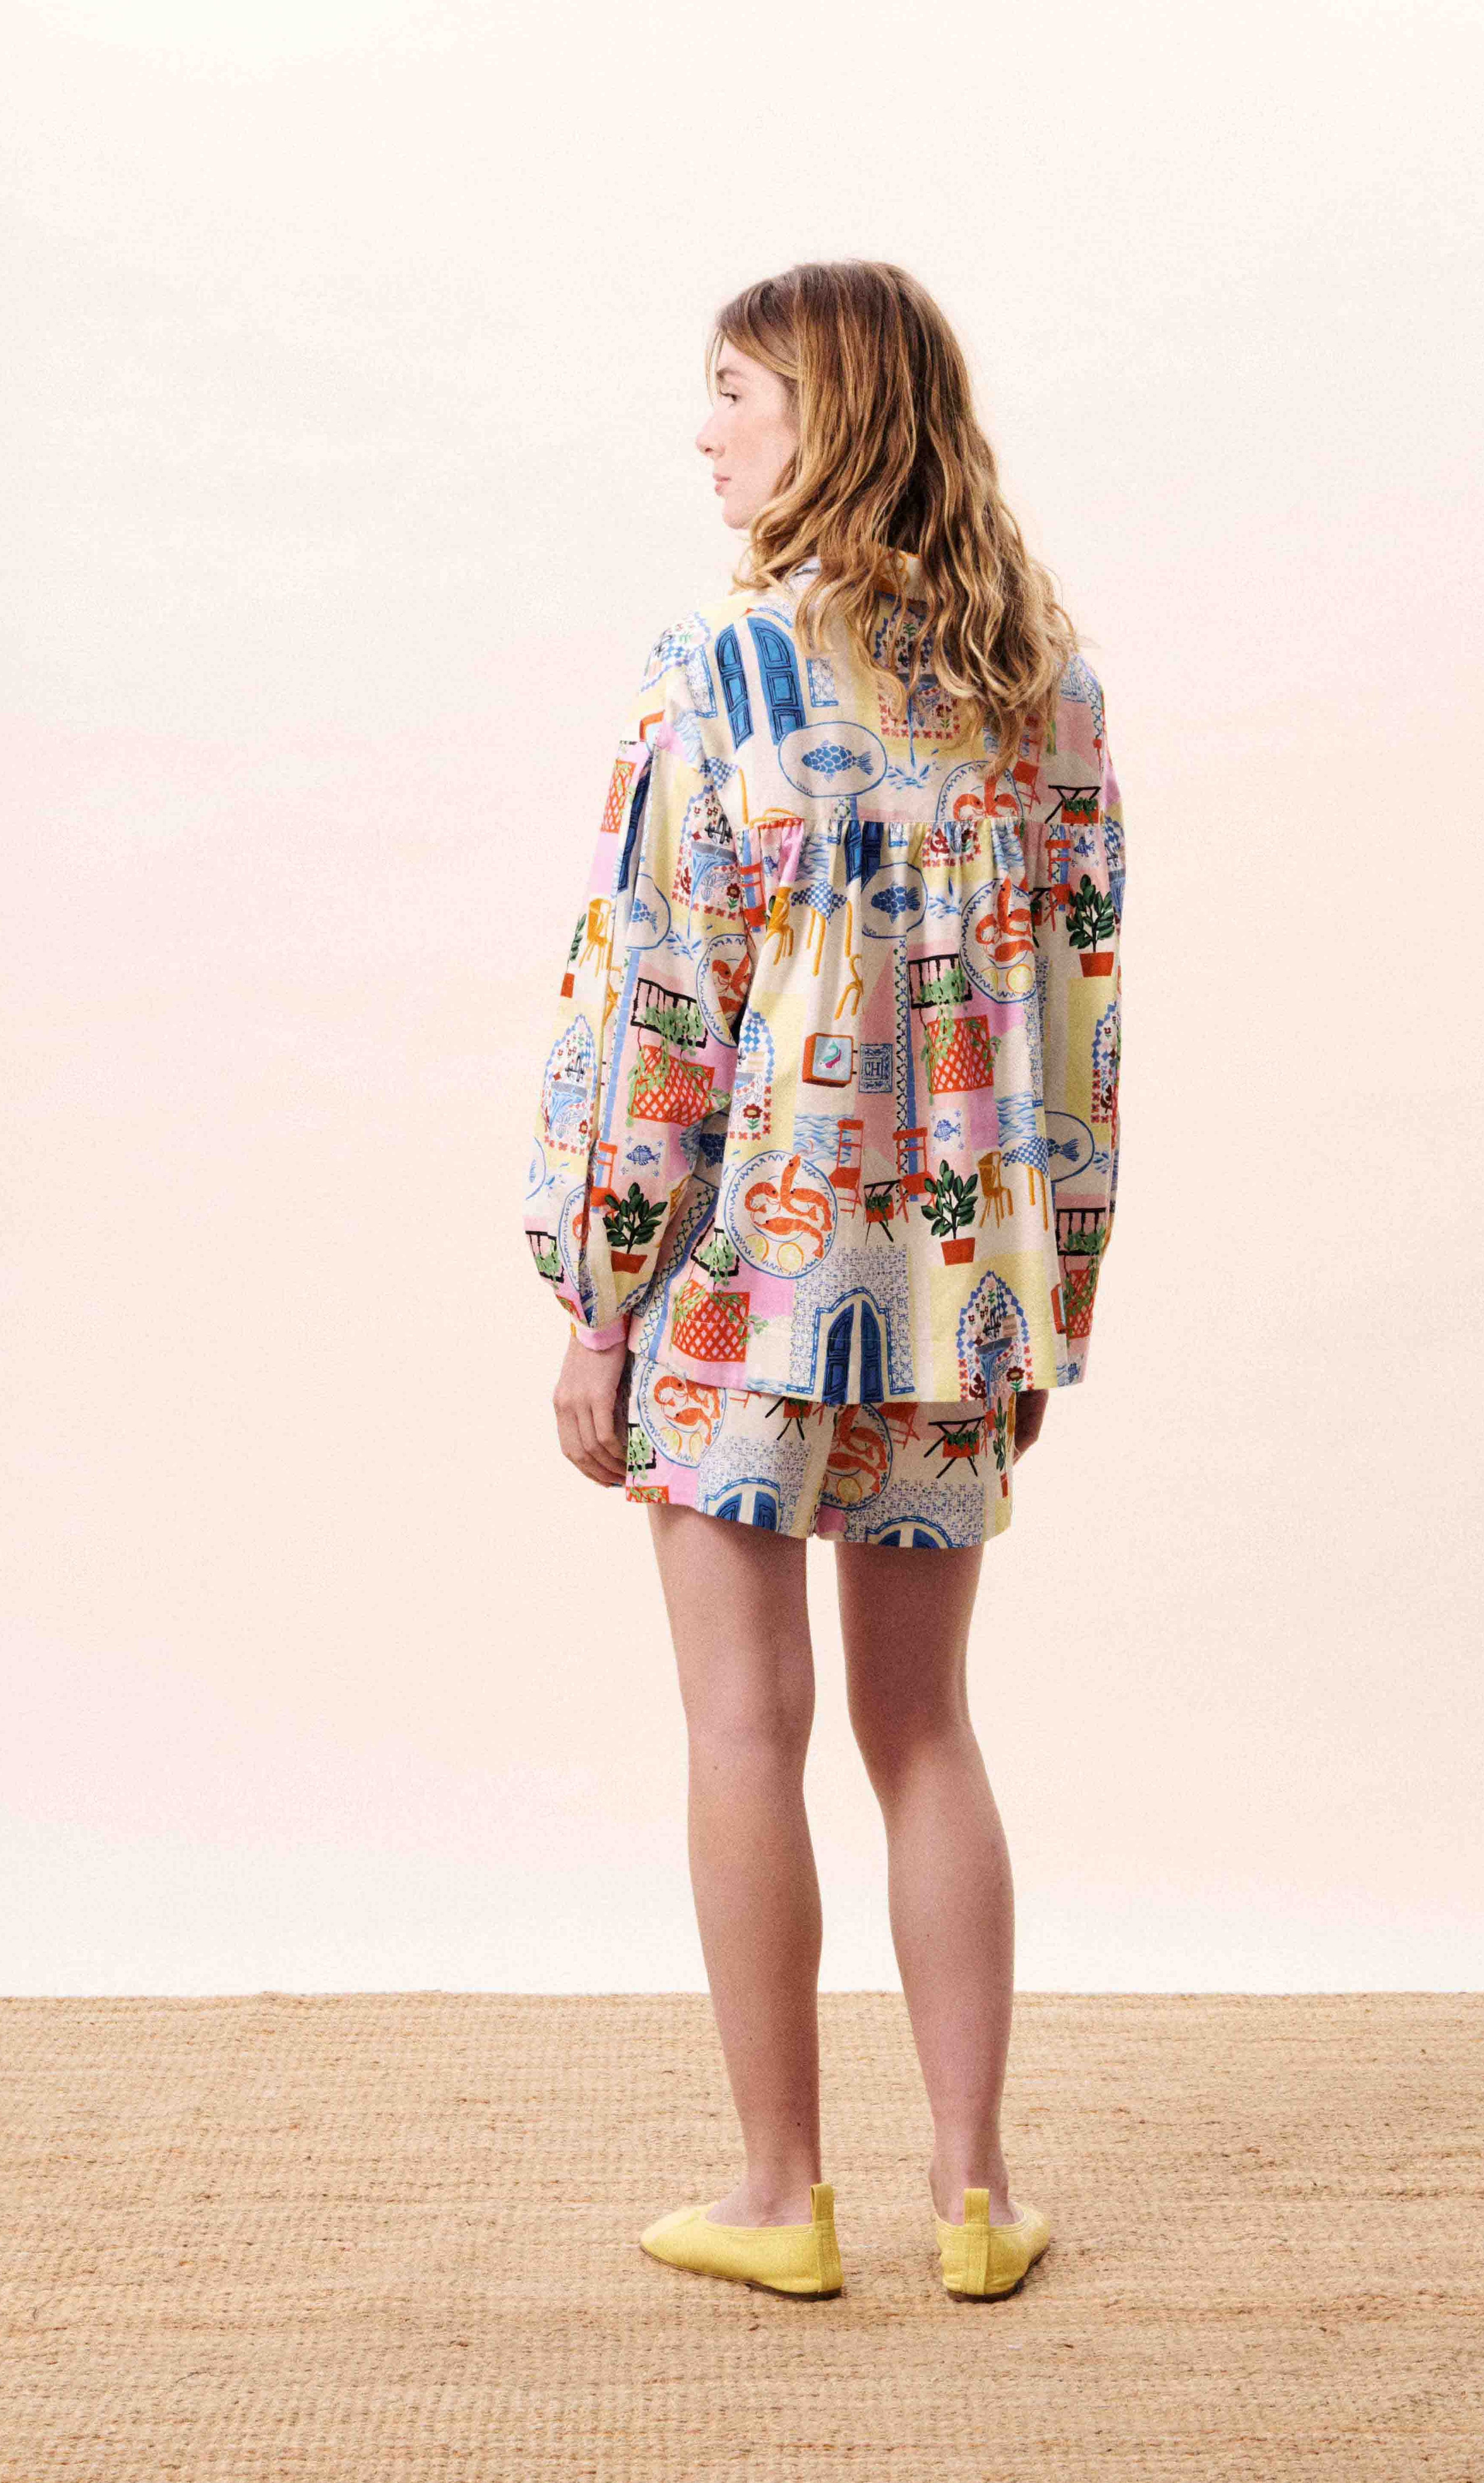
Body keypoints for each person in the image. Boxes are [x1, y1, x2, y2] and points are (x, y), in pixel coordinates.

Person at [522, 260, 1125, 2301]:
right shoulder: (1050, 695)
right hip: (954, 1288)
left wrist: (599, 1295)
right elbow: (1079, 1026)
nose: (705, 431)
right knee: (926, 1728)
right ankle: (976, 2196)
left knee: (740, 1729)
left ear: (832, 415)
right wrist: (1051, 1297)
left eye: (736, 390)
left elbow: (655, 1010)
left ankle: (782, 2199)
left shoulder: (724, 676)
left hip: (738, 1288)